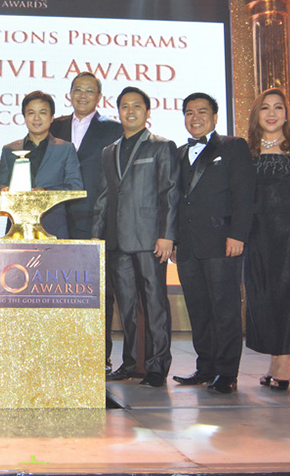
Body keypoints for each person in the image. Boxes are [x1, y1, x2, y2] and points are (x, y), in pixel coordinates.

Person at [92, 86, 178, 388]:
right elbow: (103, 197)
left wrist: (167, 235)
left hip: (149, 240)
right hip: (116, 241)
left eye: (136, 106)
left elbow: (170, 192)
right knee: (127, 308)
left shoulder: (162, 146)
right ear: (118, 112)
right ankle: (130, 363)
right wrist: (95, 240)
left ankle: (157, 366)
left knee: (154, 304)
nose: (130, 111)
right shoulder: (109, 151)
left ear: (147, 112)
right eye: (124, 106)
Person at [171, 92, 256, 394]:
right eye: (189, 112)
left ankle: (227, 372)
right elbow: (176, 201)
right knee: (198, 309)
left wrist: (238, 234)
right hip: (188, 246)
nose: (195, 117)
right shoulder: (179, 153)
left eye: (202, 111)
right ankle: (205, 367)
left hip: (223, 242)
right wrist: (174, 240)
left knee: (225, 309)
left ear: (215, 117)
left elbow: (244, 196)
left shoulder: (233, 147)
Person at [244, 88, 290, 390]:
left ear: (286, 113)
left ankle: (285, 359)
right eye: (265, 108)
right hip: (256, 231)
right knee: (262, 295)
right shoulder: (245, 149)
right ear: (256, 114)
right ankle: (275, 356)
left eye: (278, 107)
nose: (272, 113)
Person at [50, 72, 124, 372]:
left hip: (96, 218)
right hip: (57, 218)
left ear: (99, 96)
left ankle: (99, 356)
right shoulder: (54, 126)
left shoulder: (114, 129)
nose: (83, 95)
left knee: (97, 290)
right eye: (77, 90)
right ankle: (58, 352)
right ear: (69, 94)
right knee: (54, 289)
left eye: (89, 91)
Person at [0, 90, 83, 238]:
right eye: (31, 113)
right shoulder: (10, 150)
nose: (36, 118)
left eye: (42, 112)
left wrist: (45, 192)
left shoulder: (65, 148)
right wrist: (4, 189)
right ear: (24, 117)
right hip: (17, 229)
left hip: (53, 226)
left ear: (52, 117)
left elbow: (75, 186)